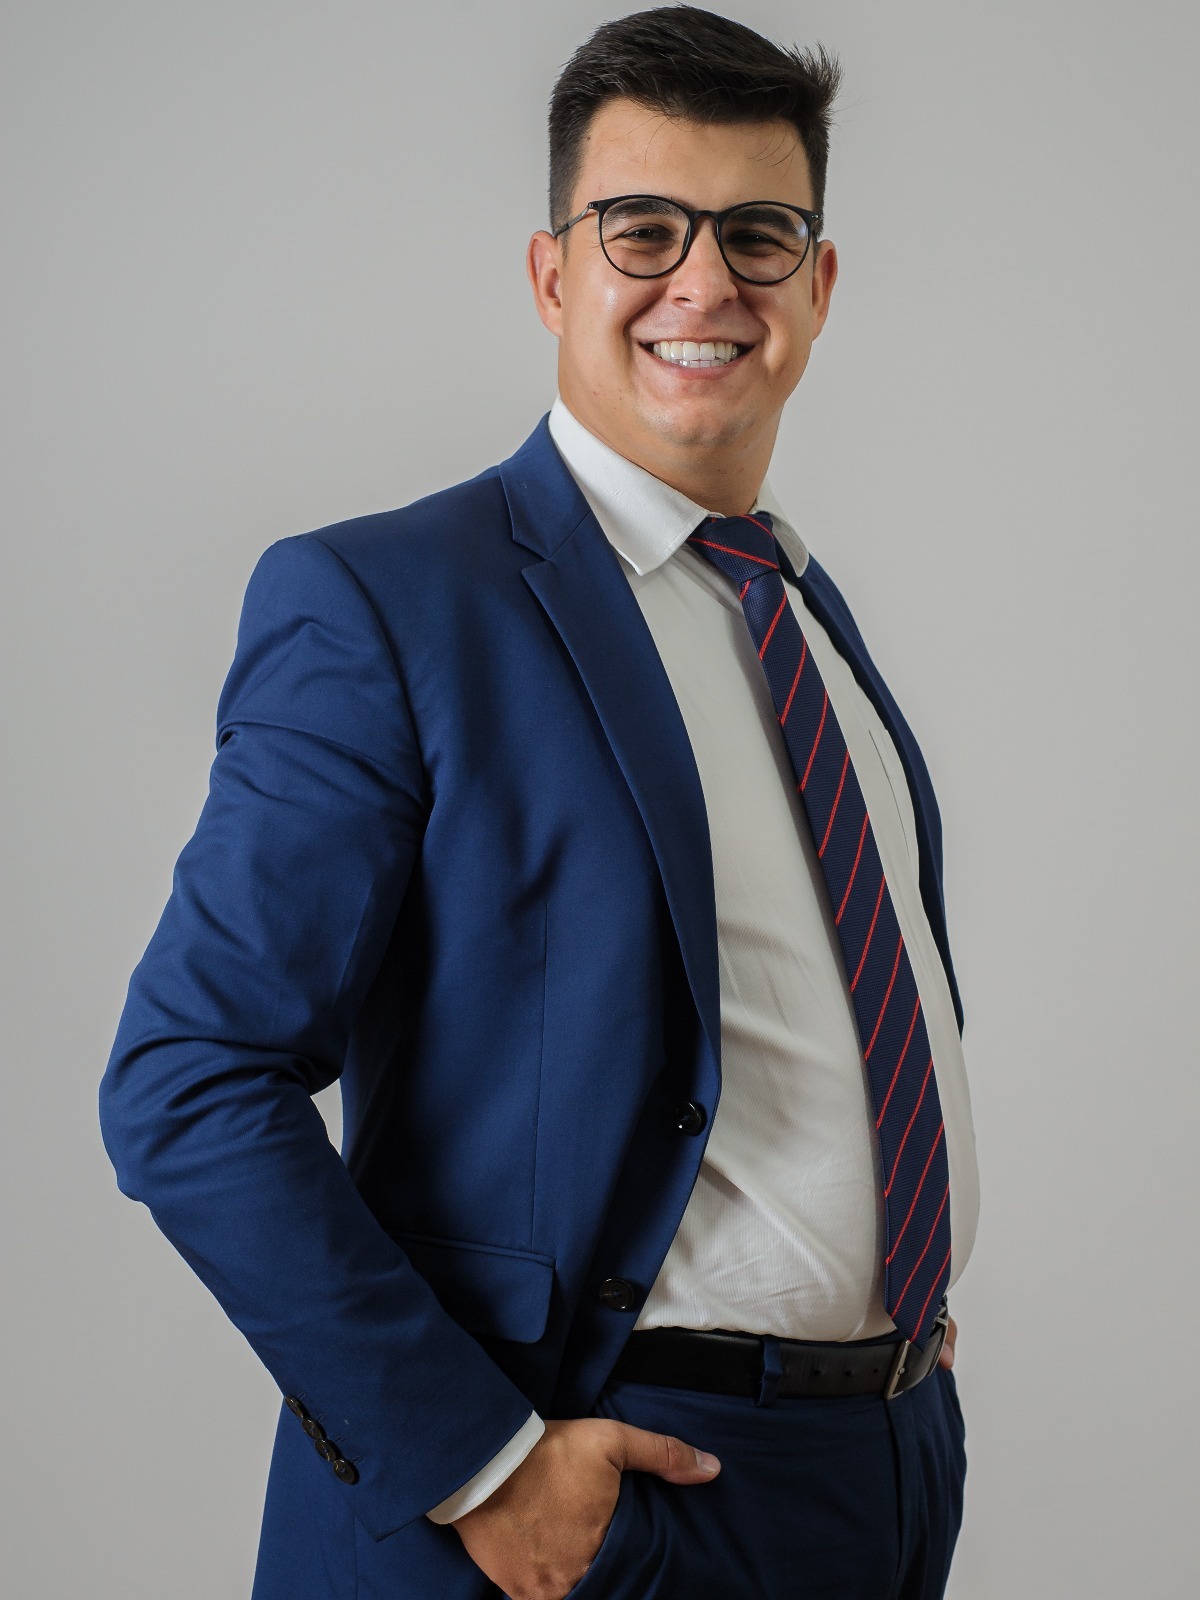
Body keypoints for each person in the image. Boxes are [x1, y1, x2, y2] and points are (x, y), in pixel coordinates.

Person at [99, 7, 979, 1598]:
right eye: (643, 230)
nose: (703, 283)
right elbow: (188, 1080)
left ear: (819, 286)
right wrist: (482, 1465)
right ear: (552, 274)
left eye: (759, 236)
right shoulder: (388, 604)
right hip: (596, 1492)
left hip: (882, 1467)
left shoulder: (796, 614)